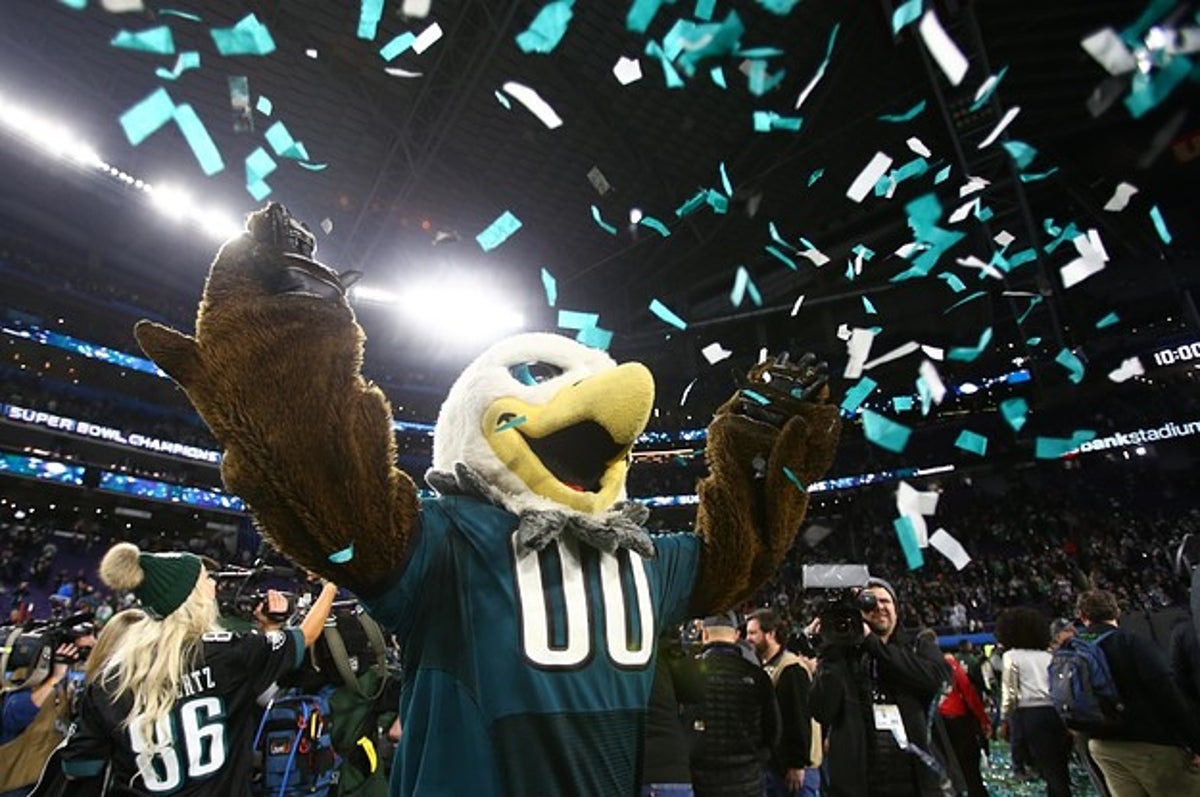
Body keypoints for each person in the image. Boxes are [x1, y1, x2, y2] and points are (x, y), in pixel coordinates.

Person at [59, 542, 338, 795]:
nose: (214, 586)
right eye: (206, 579)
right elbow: (305, 636)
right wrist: (330, 585)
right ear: (190, 595)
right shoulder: (228, 653)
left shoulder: (108, 680)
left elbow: (79, 768)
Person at [808, 577, 950, 797]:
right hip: (859, 782)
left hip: (915, 778)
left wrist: (872, 643)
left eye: (885, 601)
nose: (879, 607)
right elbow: (822, 710)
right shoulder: (842, 657)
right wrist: (829, 650)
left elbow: (934, 679)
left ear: (897, 609)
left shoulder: (919, 646)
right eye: (869, 602)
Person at [1076, 589, 1200, 796]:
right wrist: (1195, 741)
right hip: (1149, 745)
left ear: (1082, 616)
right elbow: (1167, 694)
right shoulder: (1131, 642)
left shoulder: (1074, 650)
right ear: (1117, 611)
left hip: (1101, 747)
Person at [689, 612, 779, 797]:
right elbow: (774, 731)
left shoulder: (689, 675)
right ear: (736, 635)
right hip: (748, 780)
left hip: (703, 782)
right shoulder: (757, 675)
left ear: (704, 634)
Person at [996, 607, 1072, 797]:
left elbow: (1010, 692)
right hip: (1055, 711)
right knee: (1060, 766)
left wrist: (1004, 719)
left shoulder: (1011, 656)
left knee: (1047, 767)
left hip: (1031, 714)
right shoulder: (1048, 655)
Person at [746, 608, 820, 797]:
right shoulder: (770, 667)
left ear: (770, 634)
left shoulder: (791, 669)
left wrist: (797, 763)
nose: (748, 638)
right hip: (777, 767)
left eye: (753, 633)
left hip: (795, 771)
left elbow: (799, 717)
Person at [932, 637, 990, 797]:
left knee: (945, 770)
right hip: (957, 722)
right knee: (970, 769)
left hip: (935, 725)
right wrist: (983, 721)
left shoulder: (918, 665)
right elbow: (968, 692)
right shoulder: (951, 664)